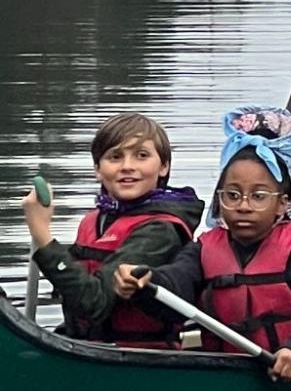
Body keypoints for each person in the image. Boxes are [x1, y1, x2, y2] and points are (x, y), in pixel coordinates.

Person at [115, 107, 291, 382]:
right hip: (224, 380)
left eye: (259, 196)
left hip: (287, 384)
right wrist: (146, 282)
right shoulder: (204, 249)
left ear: (282, 204)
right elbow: (175, 287)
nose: (244, 206)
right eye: (233, 195)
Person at [21, 112, 203, 345]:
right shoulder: (94, 220)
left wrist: (42, 235)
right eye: (115, 157)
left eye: (142, 156)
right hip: (86, 345)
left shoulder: (161, 229)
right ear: (97, 169)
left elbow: (94, 303)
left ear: (163, 167)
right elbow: (75, 290)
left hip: (137, 358)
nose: (128, 166)